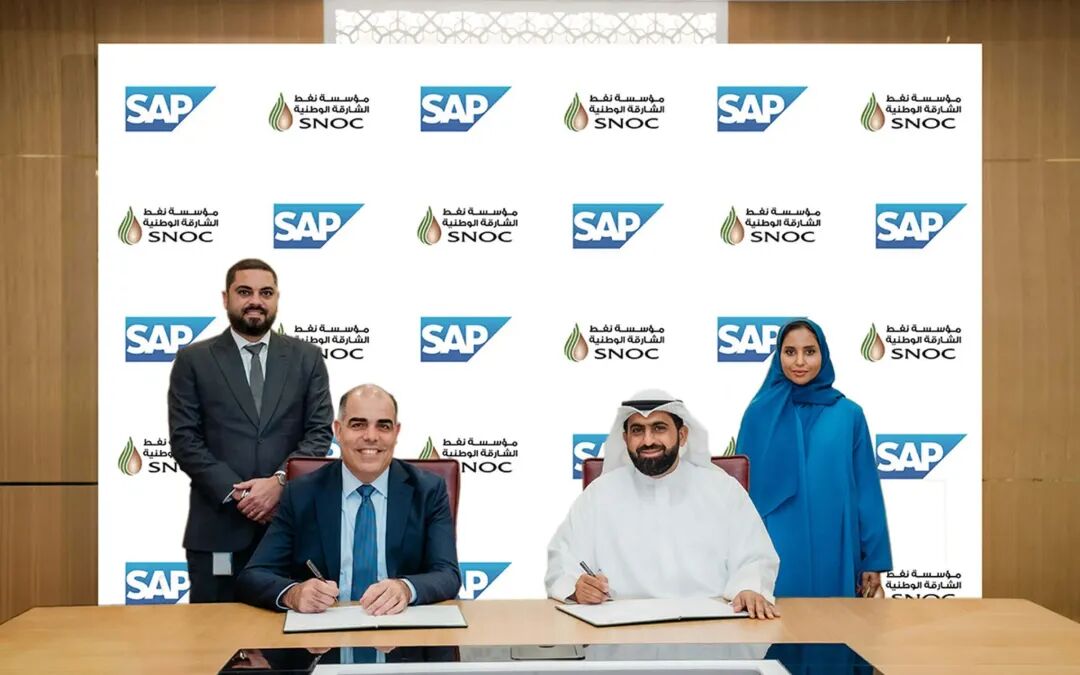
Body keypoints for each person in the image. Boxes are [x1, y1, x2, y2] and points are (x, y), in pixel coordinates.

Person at [168, 258, 334, 603]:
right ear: (225, 298)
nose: (255, 301)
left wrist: (279, 482)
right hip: (218, 529)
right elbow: (185, 440)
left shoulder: (307, 358)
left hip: (290, 527)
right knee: (214, 632)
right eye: (244, 292)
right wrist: (241, 495)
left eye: (265, 293)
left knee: (293, 632)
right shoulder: (193, 360)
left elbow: (319, 433)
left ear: (277, 299)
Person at [545, 390, 780, 619]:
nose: (648, 440)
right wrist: (578, 588)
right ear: (625, 439)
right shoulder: (599, 494)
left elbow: (754, 556)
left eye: (659, 428)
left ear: (683, 435)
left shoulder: (723, 489)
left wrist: (749, 587)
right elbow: (564, 559)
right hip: (621, 630)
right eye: (637, 430)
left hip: (710, 625)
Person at [237, 384, 460, 614]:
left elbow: (448, 574)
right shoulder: (301, 493)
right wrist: (293, 594)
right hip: (325, 628)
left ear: (396, 433)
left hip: (401, 625)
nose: (371, 436)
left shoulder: (428, 490)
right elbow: (254, 575)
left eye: (383, 426)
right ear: (338, 430)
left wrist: (405, 589)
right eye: (358, 425)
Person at [737, 319, 892, 598]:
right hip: (775, 542)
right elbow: (741, 496)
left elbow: (866, 489)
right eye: (790, 352)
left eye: (809, 351)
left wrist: (873, 558)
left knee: (833, 619)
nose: (799, 361)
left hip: (834, 539)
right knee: (779, 618)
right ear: (778, 356)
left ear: (823, 354)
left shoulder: (849, 414)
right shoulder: (759, 414)